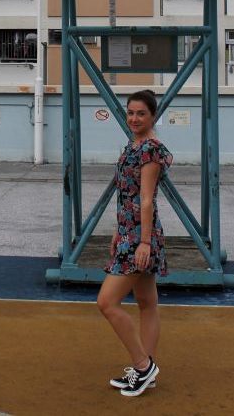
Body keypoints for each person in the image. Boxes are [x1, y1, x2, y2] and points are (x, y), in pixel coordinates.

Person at [97, 90, 173, 398]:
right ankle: (148, 373)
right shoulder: (134, 146)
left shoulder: (150, 151)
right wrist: (118, 229)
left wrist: (142, 243)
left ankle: (143, 366)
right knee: (146, 303)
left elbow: (145, 199)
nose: (134, 118)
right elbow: (125, 196)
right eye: (130, 113)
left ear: (153, 116)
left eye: (141, 113)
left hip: (140, 236)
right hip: (131, 232)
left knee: (106, 302)